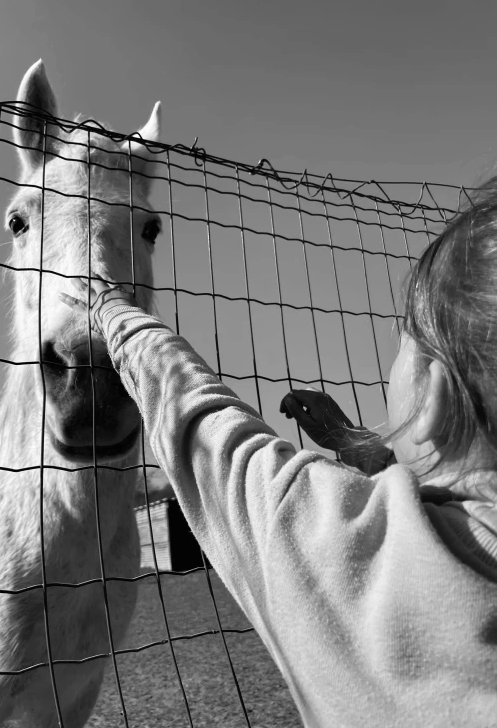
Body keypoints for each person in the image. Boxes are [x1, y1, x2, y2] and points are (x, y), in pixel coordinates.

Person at [60, 181, 497, 727]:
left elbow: (212, 438)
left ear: (433, 395)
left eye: (404, 339)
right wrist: (356, 445)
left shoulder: (360, 558)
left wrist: (110, 307)